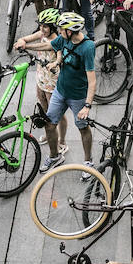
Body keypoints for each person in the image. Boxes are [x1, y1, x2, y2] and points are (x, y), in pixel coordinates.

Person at [40, 11, 97, 170]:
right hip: (60, 91)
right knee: (49, 124)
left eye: (61, 29)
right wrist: (25, 44)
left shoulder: (87, 47)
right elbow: (48, 45)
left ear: (70, 31)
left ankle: (88, 162)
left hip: (78, 97)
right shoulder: (64, 39)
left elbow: (92, 81)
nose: (58, 31)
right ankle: (54, 156)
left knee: (83, 128)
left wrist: (87, 106)